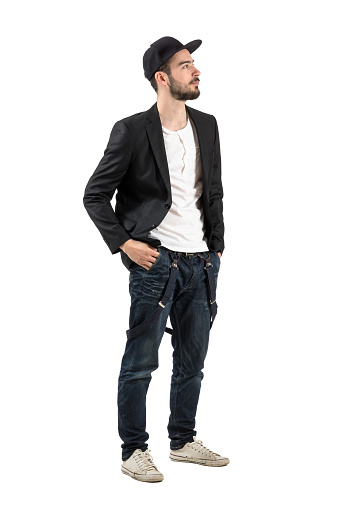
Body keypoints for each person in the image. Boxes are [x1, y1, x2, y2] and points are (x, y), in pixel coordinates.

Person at [83, 36, 230, 483]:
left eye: (195, 64)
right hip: (156, 264)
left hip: (202, 263)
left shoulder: (207, 124)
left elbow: (215, 191)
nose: (197, 71)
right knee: (141, 361)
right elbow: (94, 195)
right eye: (187, 66)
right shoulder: (131, 130)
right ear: (162, 78)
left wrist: (218, 245)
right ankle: (134, 450)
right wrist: (126, 244)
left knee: (193, 360)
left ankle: (182, 441)